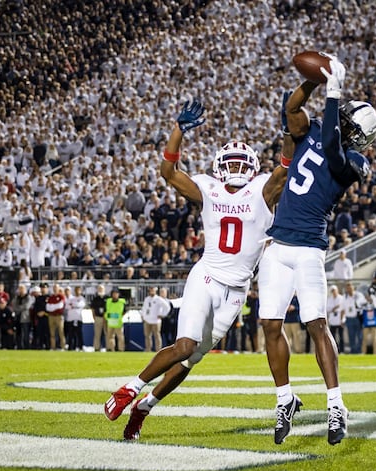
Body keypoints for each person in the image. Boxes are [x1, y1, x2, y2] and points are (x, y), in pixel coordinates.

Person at [104, 97, 288, 441]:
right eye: (229, 162)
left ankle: (144, 408)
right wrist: (178, 131)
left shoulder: (264, 189)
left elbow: (287, 163)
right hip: (206, 276)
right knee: (185, 345)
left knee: (189, 361)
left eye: (240, 163)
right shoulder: (208, 187)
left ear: (251, 167)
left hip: (236, 291)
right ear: (220, 165)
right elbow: (169, 172)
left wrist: (290, 128)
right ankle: (129, 389)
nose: (234, 168)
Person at [258, 56, 376, 445]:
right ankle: (284, 399)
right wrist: (313, 81)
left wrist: (334, 92)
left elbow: (331, 146)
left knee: (315, 324)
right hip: (278, 245)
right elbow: (290, 109)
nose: (338, 118)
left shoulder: (354, 162)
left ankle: (336, 403)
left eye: (345, 118)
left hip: (309, 247)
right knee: (270, 324)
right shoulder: (311, 130)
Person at [140, 286, 168, 353]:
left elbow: (166, 307)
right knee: (147, 335)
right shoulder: (147, 299)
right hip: (147, 320)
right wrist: (143, 316)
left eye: (153, 290)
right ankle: (148, 349)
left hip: (156, 321)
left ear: (155, 291)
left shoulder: (158, 299)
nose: (151, 291)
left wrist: (162, 314)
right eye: (150, 290)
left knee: (157, 335)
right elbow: (144, 308)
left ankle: (158, 350)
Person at [342, 282, 365, 354]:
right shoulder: (345, 297)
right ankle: (353, 351)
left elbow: (363, 303)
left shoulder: (358, 295)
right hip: (349, 318)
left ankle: (359, 350)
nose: (349, 288)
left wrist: (356, 302)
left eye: (350, 287)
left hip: (357, 318)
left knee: (360, 336)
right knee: (351, 336)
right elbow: (343, 309)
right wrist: (342, 319)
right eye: (347, 287)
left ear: (353, 287)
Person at [11, 284, 34, 349]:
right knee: (18, 334)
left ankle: (26, 347)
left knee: (26, 334)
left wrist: (18, 308)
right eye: (20, 289)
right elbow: (13, 305)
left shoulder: (28, 297)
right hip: (17, 318)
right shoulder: (17, 297)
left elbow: (26, 306)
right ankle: (19, 347)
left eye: (22, 289)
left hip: (25, 318)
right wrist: (19, 308)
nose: (21, 290)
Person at [46, 283, 66, 350]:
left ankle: (63, 347)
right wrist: (55, 306)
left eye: (56, 287)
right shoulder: (51, 297)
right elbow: (48, 308)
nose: (55, 289)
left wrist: (53, 306)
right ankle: (53, 347)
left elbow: (60, 306)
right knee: (52, 333)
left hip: (59, 316)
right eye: (54, 287)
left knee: (61, 332)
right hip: (51, 316)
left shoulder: (61, 296)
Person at [66, 286, 86, 351]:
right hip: (71, 318)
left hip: (78, 318)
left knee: (79, 333)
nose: (77, 291)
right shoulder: (71, 298)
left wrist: (73, 305)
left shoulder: (82, 298)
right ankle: (71, 347)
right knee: (71, 334)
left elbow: (80, 305)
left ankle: (81, 346)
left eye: (79, 290)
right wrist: (73, 305)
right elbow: (67, 306)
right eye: (76, 290)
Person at [326, 284, 345, 353]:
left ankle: (342, 350)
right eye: (332, 291)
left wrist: (342, 320)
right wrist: (334, 308)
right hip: (332, 320)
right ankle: (335, 350)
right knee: (333, 337)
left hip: (339, 319)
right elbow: (327, 309)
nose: (333, 292)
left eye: (334, 290)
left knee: (341, 337)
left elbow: (343, 309)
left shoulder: (341, 298)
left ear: (337, 291)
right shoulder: (329, 299)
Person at [90, 284, 108, 351]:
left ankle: (109, 348)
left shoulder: (107, 298)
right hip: (98, 317)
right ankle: (96, 347)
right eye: (99, 289)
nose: (100, 290)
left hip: (106, 318)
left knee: (107, 334)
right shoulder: (95, 299)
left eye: (102, 289)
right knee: (97, 334)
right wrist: (93, 316)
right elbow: (92, 309)